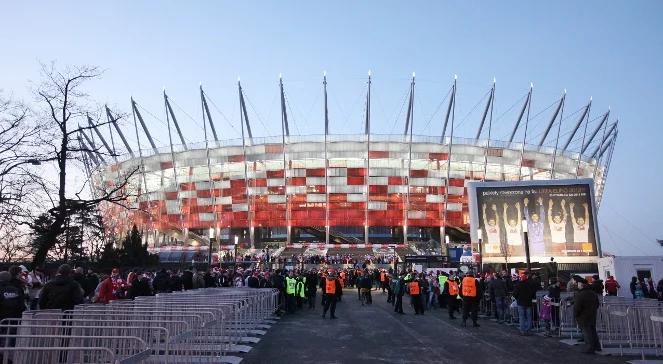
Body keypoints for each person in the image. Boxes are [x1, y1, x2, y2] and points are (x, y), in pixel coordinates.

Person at [573, 276, 601, 354]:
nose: (577, 285)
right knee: (593, 331)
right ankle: (597, 346)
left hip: (583, 316)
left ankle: (590, 347)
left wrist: (576, 314)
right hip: (592, 314)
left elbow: (577, 307)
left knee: (586, 332)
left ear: (581, 285)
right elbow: (597, 304)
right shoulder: (593, 293)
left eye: (578, 284)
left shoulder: (580, 294)